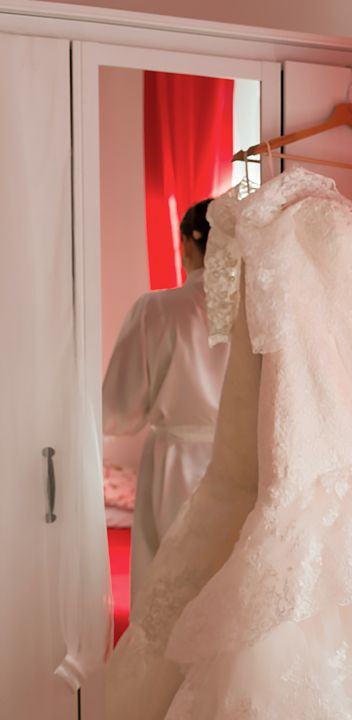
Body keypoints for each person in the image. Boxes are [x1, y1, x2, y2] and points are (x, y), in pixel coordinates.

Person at [103, 199, 228, 601]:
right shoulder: (258, 313)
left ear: (188, 244)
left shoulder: (156, 309)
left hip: (174, 462)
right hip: (240, 458)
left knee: (168, 585)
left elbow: (118, 413)